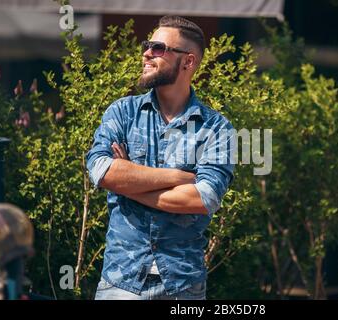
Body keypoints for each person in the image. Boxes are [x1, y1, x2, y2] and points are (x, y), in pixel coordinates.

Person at [86, 15, 235, 300]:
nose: (146, 53)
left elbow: (203, 199)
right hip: (121, 280)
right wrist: (177, 178)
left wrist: (129, 183)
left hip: (182, 285)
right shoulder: (122, 113)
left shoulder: (216, 128)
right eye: (146, 46)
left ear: (187, 62)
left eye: (157, 48)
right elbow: (102, 171)